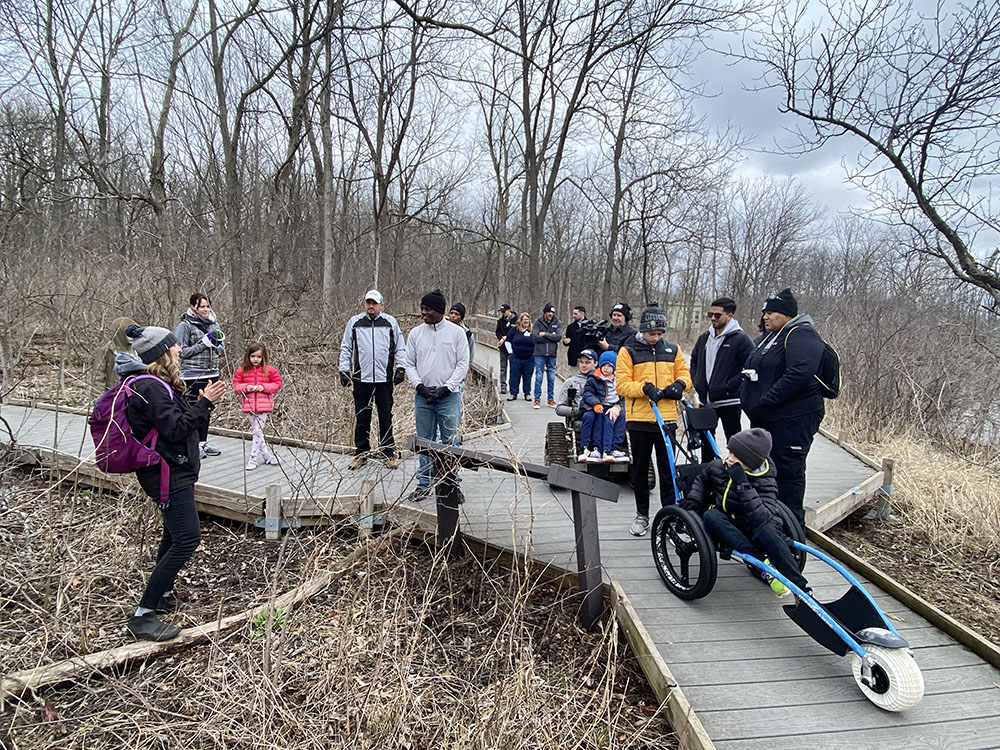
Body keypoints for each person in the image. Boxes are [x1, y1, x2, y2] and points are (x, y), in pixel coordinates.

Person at [123, 324, 227, 641]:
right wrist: (205, 403)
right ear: (161, 353)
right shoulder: (151, 388)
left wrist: (197, 401)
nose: (179, 349)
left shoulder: (157, 385)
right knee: (187, 539)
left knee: (172, 535)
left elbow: (174, 421)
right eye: (174, 346)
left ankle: (164, 595)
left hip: (172, 472)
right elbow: (175, 429)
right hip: (168, 476)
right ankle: (143, 615)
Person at [680, 428, 810, 597]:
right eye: (730, 452)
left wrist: (742, 483)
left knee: (768, 531)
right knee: (710, 516)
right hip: (727, 521)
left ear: (752, 461)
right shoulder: (719, 466)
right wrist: (694, 498)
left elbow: (761, 518)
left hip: (754, 523)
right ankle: (763, 563)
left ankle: (801, 588)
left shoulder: (766, 481)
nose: (731, 459)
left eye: (737, 456)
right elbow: (701, 480)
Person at [741, 288, 825, 525]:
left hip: (793, 419)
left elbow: (799, 374)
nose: (765, 317)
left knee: (788, 474)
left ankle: (791, 531)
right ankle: (770, 524)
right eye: (764, 312)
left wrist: (764, 400)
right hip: (768, 419)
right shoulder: (771, 337)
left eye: (771, 312)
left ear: (787, 314)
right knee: (769, 472)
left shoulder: (801, 335)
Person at [616, 302, 691, 536]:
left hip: (667, 419)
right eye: (651, 334)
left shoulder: (673, 350)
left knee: (668, 470)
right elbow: (622, 384)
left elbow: (685, 375)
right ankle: (642, 515)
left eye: (659, 334)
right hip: (640, 419)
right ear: (642, 330)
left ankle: (670, 516)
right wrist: (645, 388)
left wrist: (679, 386)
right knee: (640, 470)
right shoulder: (628, 351)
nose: (655, 338)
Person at [403, 288, 470, 503]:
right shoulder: (415, 334)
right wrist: (419, 386)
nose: (423, 313)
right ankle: (424, 483)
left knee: (451, 441)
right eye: (422, 309)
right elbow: (409, 363)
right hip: (423, 396)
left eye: (427, 309)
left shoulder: (456, 333)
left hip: (448, 396)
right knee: (424, 441)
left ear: (439, 310)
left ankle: (451, 483)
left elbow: (462, 363)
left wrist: (447, 387)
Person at [339, 289, 407, 470]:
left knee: (385, 417)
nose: (371, 306)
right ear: (364, 304)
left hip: (384, 379)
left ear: (381, 305)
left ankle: (388, 453)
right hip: (361, 378)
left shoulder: (390, 322)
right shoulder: (354, 323)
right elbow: (346, 347)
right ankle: (361, 453)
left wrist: (401, 368)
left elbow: (400, 347)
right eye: (368, 303)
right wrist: (343, 369)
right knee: (362, 417)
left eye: (374, 303)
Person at [689, 296, 754, 460]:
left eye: (717, 315)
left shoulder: (741, 339)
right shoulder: (705, 337)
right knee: (706, 442)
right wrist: (697, 381)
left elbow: (752, 366)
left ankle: (736, 475)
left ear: (730, 316)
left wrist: (730, 386)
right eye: (710, 314)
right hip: (706, 401)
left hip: (729, 401)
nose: (712, 318)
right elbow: (694, 360)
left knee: (734, 442)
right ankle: (708, 478)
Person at [174, 293, 225, 458]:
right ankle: (192, 444)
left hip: (212, 372)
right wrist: (203, 344)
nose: (205, 309)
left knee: (206, 408)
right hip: (191, 374)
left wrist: (216, 344)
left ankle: (204, 442)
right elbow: (181, 352)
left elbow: (222, 350)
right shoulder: (185, 325)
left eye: (207, 306)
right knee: (192, 409)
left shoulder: (213, 323)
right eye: (202, 306)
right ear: (193, 307)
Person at [232, 343, 283, 470]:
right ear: (248, 356)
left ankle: (253, 458)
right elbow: (236, 385)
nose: (255, 359)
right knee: (257, 432)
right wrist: (246, 387)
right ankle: (266, 456)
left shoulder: (269, 370)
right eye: (253, 356)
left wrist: (264, 387)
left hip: (263, 405)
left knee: (257, 431)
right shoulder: (243, 369)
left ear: (263, 357)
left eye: (259, 357)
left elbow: (277, 383)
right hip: (249, 405)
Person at [579, 351, 627, 462]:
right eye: (603, 366)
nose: (605, 368)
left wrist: (618, 407)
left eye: (609, 366)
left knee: (619, 418)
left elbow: (624, 395)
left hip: (613, 406)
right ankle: (594, 448)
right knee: (596, 419)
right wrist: (595, 404)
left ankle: (612, 448)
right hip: (598, 406)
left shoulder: (619, 380)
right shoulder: (594, 379)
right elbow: (588, 393)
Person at [93, 316, 138, 391]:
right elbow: (98, 379)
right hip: (114, 394)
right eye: (128, 333)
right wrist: (99, 400)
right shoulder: (107, 351)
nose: (131, 337)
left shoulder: (137, 350)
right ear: (120, 333)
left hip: (134, 394)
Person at [532, 303, 562, 408]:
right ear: (545, 312)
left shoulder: (557, 322)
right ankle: (537, 400)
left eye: (552, 312)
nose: (550, 314)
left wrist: (545, 334)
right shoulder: (537, 322)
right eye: (549, 312)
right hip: (539, 353)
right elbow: (535, 337)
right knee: (539, 376)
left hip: (552, 354)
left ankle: (551, 399)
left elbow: (558, 337)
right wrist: (551, 336)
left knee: (551, 377)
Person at [555, 347, 597, 418]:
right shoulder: (570, 382)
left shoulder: (603, 381)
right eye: (581, 362)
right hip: (580, 417)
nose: (583, 365)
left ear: (595, 363)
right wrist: (578, 411)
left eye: (587, 363)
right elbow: (559, 408)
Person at [506, 312, 534, 401]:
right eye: (524, 320)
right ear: (520, 321)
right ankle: (513, 393)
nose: (526, 321)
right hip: (516, 357)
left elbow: (537, 342)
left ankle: (527, 393)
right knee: (514, 375)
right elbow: (507, 341)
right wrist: (511, 352)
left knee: (527, 376)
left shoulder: (533, 331)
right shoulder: (514, 330)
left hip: (529, 358)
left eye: (527, 319)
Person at [495, 304, 515, 393]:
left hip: (513, 347)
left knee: (513, 368)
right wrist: (501, 337)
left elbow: (516, 332)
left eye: (504, 311)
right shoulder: (500, 321)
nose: (503, 313)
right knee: (503, 367)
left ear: (509, 310)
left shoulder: (516, 320)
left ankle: (513, 386)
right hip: (503, 347)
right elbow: (497, 332)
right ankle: (503, 385)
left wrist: (505, 338)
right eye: (501, 312)